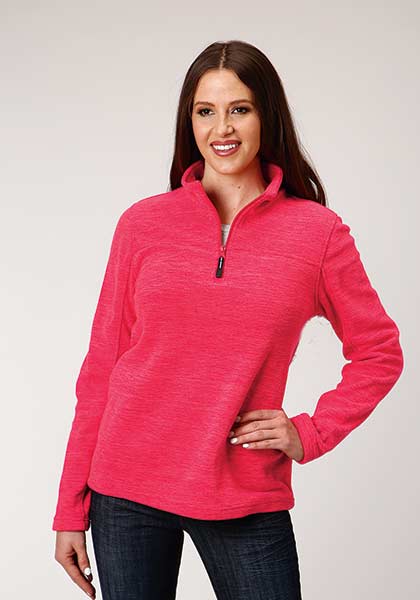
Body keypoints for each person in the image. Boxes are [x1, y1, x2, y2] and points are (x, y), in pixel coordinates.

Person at [52, 39, 404, 600]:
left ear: (267, 115)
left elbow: (379, 352)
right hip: (125, 489)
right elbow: (101, 369)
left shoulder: (317, 234)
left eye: (240, 108)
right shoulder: (142, 225)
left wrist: (309, 432)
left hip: (242, 491)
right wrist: (70, 507)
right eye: (205, 111)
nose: (223, 128)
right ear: (189, 121)